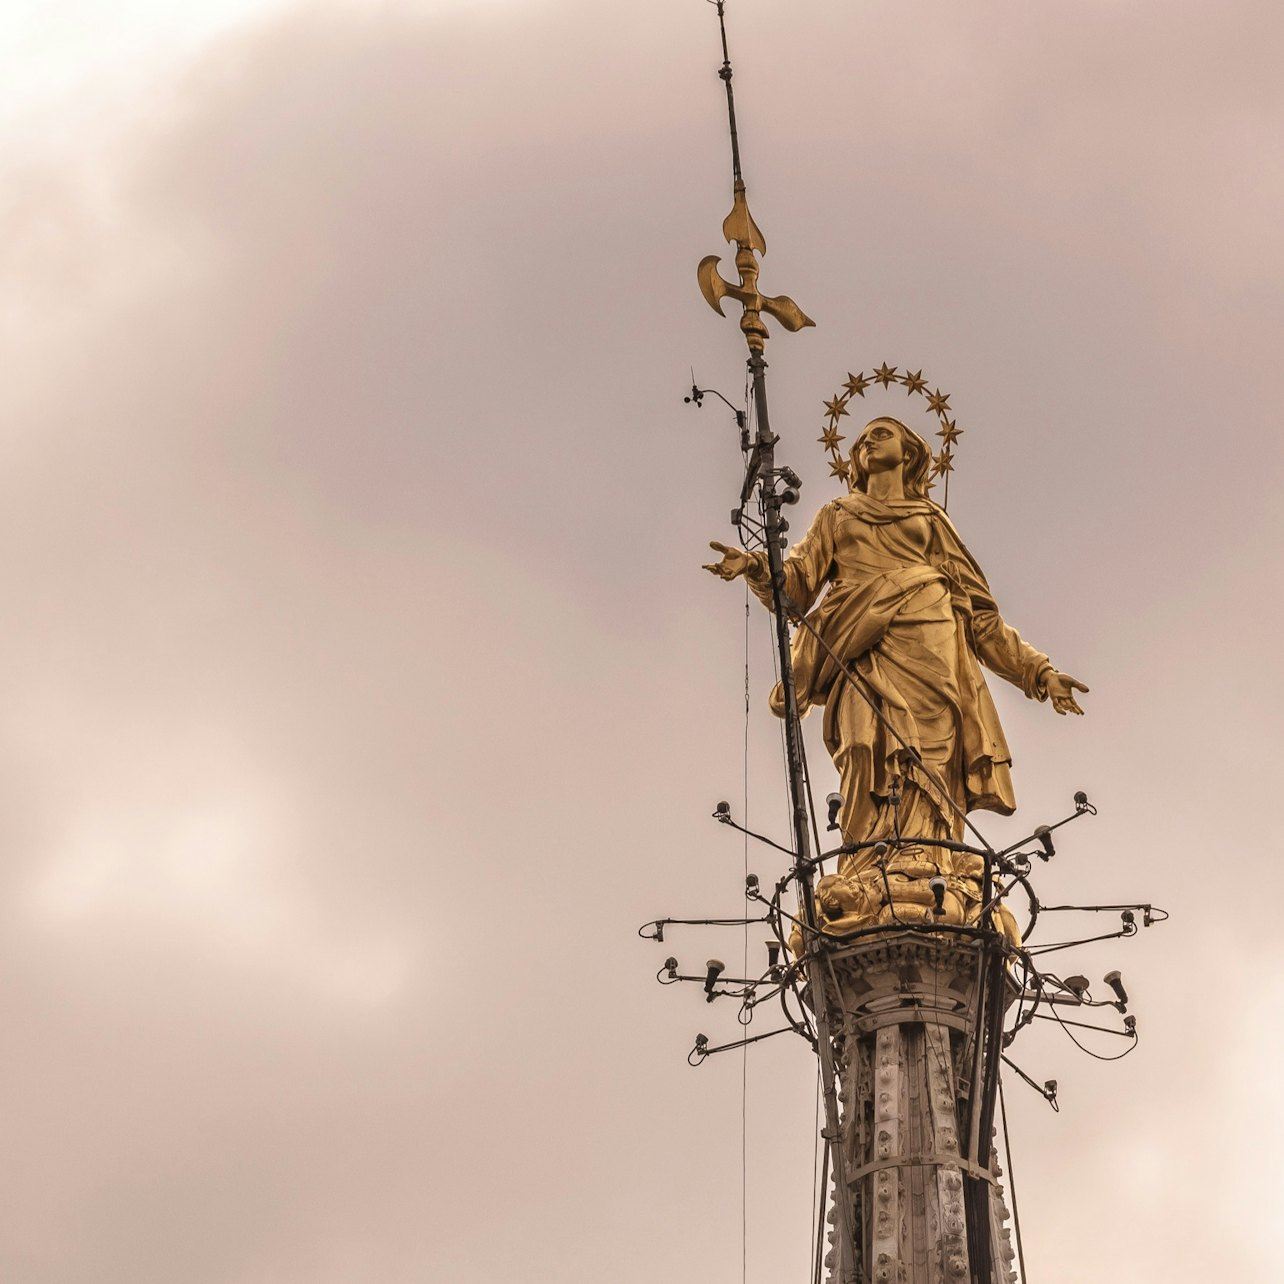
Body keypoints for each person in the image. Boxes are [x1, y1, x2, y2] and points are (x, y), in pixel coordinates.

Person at [703, 416, 1087, 917]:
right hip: (858, 647)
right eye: (860, 438)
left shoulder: (930, 521)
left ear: (910, 452)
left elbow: (984, 617)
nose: (866, 441)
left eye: (880, 433)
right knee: (864, 746)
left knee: (932, 759)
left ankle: (932, 859)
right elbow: (794, 588)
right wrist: (755, 565)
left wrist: (1039, 672)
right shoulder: (837, 515)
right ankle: (870, 857)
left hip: (933, 647)